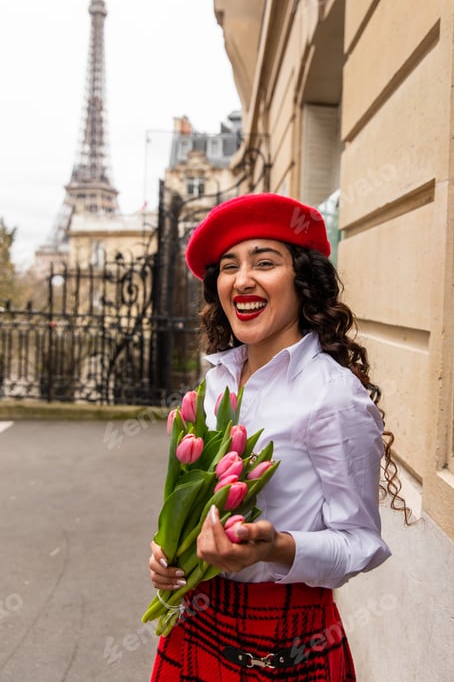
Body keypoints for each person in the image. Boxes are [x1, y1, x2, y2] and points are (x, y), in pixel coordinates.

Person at [148, 192, 409, 681]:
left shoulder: (333, 396)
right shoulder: (217, 381)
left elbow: (360, 543)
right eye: (229, 266)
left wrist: (275, 546)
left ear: (302, 281)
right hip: (191, 625)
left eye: (264, 262)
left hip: (283, 640)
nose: (243, 278)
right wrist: (169, 557)